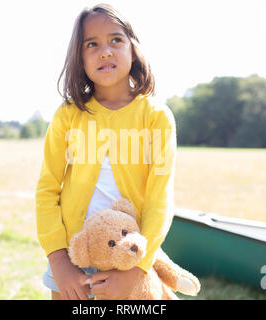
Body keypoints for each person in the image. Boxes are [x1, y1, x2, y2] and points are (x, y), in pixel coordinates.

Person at [36, 3, 177, 300]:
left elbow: (159, 198)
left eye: (116, 39)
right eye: (92, 44)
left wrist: (136, 270)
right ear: (80, 56)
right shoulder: (68, 116)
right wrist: (58, 260)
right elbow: (48, 189)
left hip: (130, 258)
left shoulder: (156, 117)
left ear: (133, 48)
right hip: (72, 260)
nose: (106, 51)